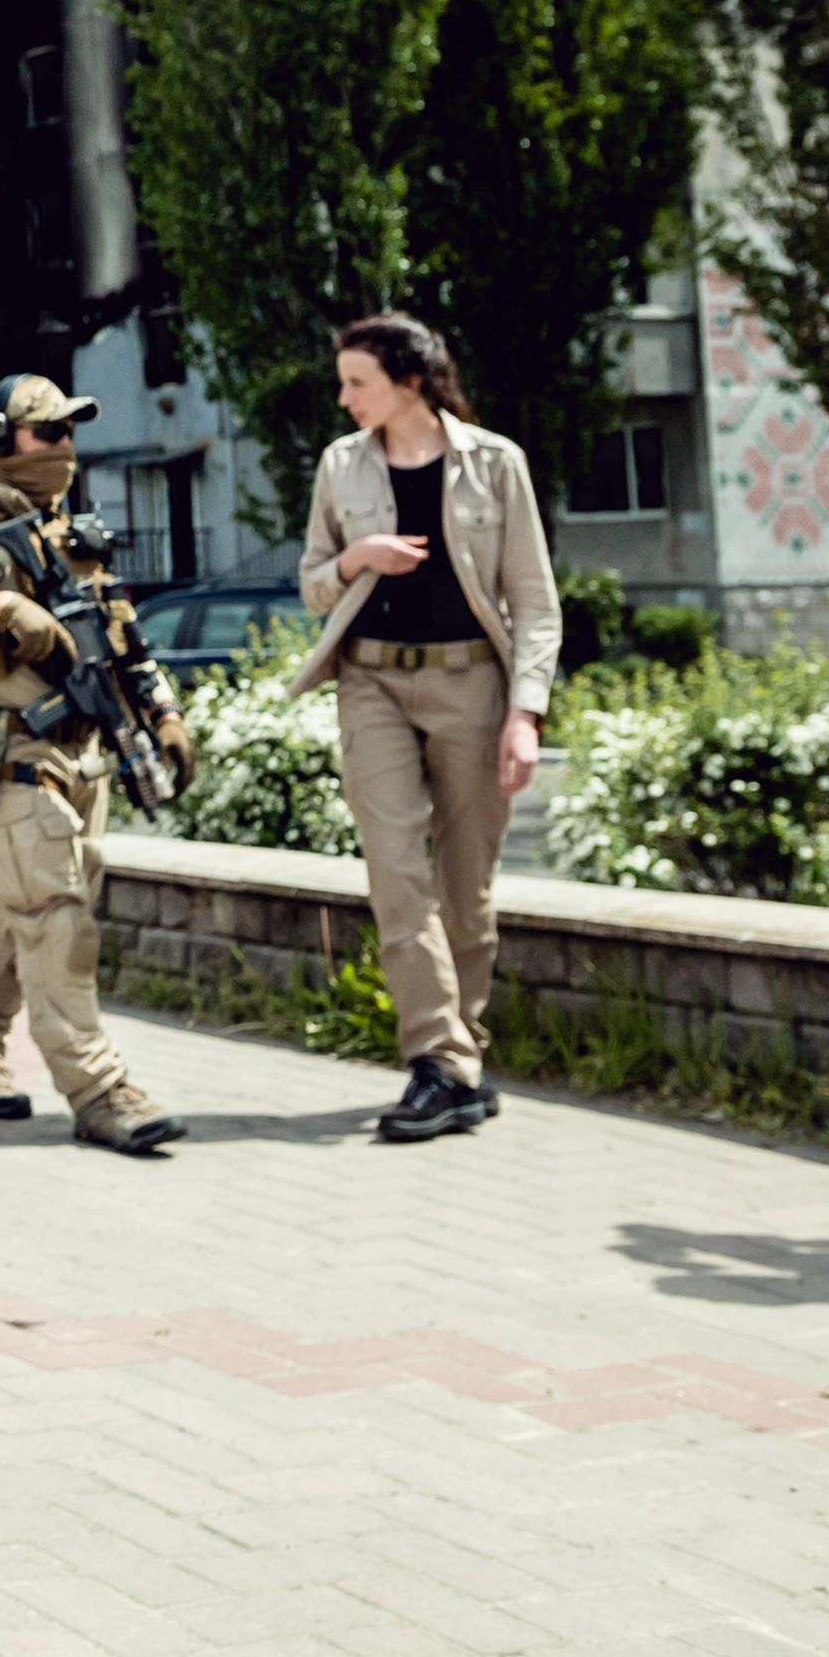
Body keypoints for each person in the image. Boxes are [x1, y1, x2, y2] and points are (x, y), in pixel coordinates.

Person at [0, 375, 195, 1155]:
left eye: (68, 431)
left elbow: (123, 635)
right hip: (8, 755)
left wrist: (162, 715)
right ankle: (100, 1092)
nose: (63, 447)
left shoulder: (71, 534)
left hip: (84, 753)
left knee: (27, 910)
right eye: (45, 432)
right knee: (56, 921)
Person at [292, 312, 562, 1145]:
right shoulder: (341, 466)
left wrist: (525, 713)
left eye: (358, 382)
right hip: (370, 679)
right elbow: (311, 584)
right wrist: (355, 558)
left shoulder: (496, 462)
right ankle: (437, 1061)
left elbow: (534, 600)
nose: (344, 399)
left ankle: (462, 1062)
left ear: (409, 381)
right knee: (398, 873)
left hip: (472, 686)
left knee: (467, 886)